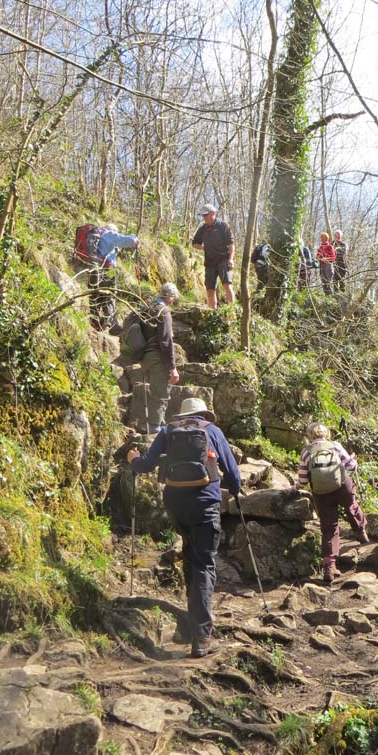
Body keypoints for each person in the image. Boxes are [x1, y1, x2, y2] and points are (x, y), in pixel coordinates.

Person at [127, 397, 241, 658]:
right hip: (205, 504)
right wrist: (235, 491)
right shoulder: (212, 431)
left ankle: (190, 628)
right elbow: (232, 471)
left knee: (191, 559)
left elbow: (146, 465)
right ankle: (202, 637)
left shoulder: (169, 430)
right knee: (203, 565)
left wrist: (133, 459)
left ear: (182, 415)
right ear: (203, 414)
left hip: (176, 506)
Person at [295, 421, 368, 583]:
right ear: (326, 434)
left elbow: (303, 480)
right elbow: (350, 465)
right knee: (351, 506)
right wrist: (353, 460)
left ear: (309, 436)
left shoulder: (306, 452)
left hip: (321, 493)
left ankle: (329, 567)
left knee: (329, 527)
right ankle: (361, 531)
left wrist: (294, 487)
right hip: (342, 486)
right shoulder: (335, 446)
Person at [129, 282, 180, 433]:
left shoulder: (147, 309)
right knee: (161, 393)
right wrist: (172, 368)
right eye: (173, 298)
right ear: (169, 297)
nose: (173, 302)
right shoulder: (163, 311)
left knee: (156, 391)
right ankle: (155, 429)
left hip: (144, 357)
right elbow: (166, 341)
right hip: (157, 357)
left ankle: (158, 425)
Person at [87, 223, 139, 331]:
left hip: (95, 269)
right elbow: (124, 240)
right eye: (116, 232)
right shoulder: (108, 234)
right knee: (110, 295)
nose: (116, 233)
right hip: (108, 269)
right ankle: (109, 324)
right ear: (112, 230)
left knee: (95, 295)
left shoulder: (99, 236)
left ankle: (94, 322)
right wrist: (135, 240)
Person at [192, 204, 235, 308]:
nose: (204, 217)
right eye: (203, 215)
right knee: (210, 290)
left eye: (206, 215)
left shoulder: (222, 226)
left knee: (227, 285)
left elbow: (231, 244)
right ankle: (213, 313)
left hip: (223, 260)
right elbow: (195, 243)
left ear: (213, 214)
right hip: (209, 263)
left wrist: (231, 259)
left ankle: (232, 311)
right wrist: (204, 247)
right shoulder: (202, 229)